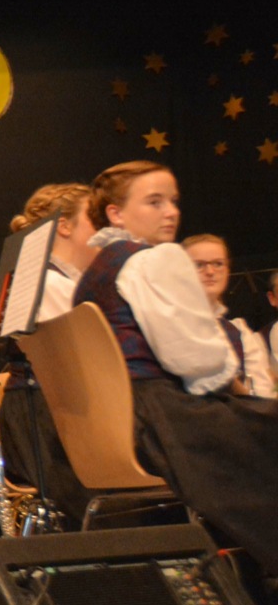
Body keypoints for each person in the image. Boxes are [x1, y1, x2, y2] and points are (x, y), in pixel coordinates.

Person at [72, 162, 278, 579]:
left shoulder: (94, 272)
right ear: (116, 213)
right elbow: (197, 360)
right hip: (163, 419)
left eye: (174, 202)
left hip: (118, 421)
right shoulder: (155, 259)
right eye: (154, 202)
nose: (171, 212)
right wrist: (243, 394)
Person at [0, 183, 97, 521]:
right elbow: (83, 368)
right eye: (95, 219)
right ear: (64, 226)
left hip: (46, 413)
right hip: (46, 422)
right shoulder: (50, 284)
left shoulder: (60, 281)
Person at [185, 234, 276, 399]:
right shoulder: (170, 323)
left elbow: (263, 397)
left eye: (218, 264)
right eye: (199, 265)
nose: (210, 271)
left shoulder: (240, 332)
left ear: (227, 271)